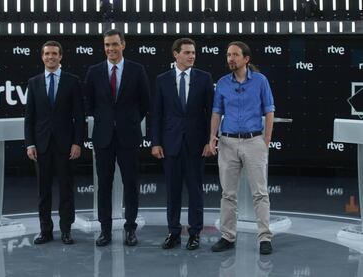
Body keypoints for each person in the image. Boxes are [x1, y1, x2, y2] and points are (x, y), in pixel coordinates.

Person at [84, 29, 150, 247]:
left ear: (123, 44)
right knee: (104, 186)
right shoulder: (94, 71)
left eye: (114, 44)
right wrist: (107, 121)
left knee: (131, 184)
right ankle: (105, 231)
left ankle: (130, 229)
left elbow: (144, 103)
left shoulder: (137, 70)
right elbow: (90, 104)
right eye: (106, 45)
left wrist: (128, 121)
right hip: (103, 138)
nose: (110, 49)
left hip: (128, 137)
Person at [209, 41, 275, 255]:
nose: (230, 59)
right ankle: (228, 236)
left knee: (260, 193)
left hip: (254, 141)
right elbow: (217, 112)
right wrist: (213, 137)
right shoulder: (222, 83)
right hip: (227, 142)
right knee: (228, 194)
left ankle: (265, 237)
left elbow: (269, 111)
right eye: (228, 55)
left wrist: (265, 141)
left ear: (246, 59)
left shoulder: (260, 81)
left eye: (235, 55)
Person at [151, 38, 214, 250]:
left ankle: (195, 233)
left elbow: (210, 114)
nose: (192, 56)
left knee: (196, 191)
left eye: (193, 52)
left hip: (196, 145)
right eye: (187, 52)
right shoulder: (162, 79)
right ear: (175, 55)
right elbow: (157, 114)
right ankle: (173, 232)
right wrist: (156, 142)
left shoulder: (204, 79)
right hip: (170, 144)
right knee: (172, 191)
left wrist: (209, 141)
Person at [24, 40, 85, 245]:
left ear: (61, 57)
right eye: (47, 54)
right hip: (41, 146)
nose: (51, 57)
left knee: (66, 189)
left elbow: (79, 115)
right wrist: (30, 143)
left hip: (66, 145)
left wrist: (78, 143)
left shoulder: (72, 81)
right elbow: (29, 117)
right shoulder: (34, 82)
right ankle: (45, 231)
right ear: (42, 57)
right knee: (44, 191)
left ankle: (66, 230)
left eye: (54, 54)